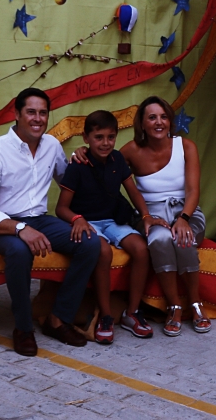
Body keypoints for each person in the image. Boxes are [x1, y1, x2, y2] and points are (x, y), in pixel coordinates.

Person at [0, 88, 101, 358]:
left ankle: (58, 319)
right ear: (17, 114)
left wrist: (82, 155)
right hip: (2, 226)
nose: (38, 118)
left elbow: (68, 181)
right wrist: (21, 229)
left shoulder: (52, 146)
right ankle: (23, 329)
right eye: (31, 112)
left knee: (90, 243)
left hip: (40, 220)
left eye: (43, 113)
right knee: (20, 252)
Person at [54, 110, 160, 344]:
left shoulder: (117, 160)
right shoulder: (77, 165)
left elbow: (133, 192)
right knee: (103, 251)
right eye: (98, 137)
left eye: (110, 137)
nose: (105, 143)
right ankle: (105, 315)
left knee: (142, 249)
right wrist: (77, 219)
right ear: (86, 138)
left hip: (112, 222)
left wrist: (145, 216)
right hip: (87, 223)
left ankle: (131, 313)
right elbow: (61, 208)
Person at [123, 96, 211, 336]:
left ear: (170, 121)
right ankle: (174, 306)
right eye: (152, 117)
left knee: (183, 238)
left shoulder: (187, 146)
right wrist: (80, 153)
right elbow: (104, 165)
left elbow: (193, 190)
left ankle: (196, 304)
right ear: (142, 123)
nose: (159, 122)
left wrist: (183, 218)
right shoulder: (131, 150)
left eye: (163, 117)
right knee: (161, 239)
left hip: (187, 210)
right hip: (153, 215)